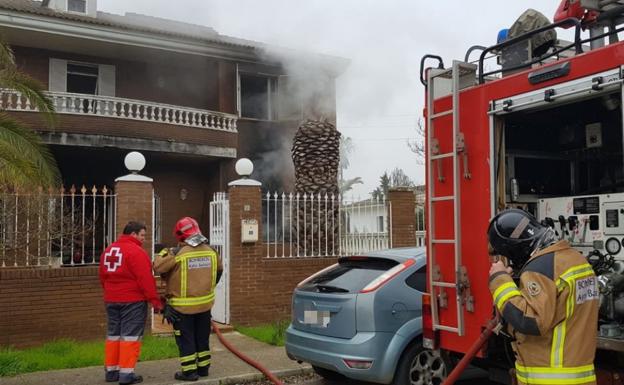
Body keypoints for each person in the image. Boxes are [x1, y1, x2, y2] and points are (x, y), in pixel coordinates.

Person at [487, 209, 599, 385]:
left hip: (550, 379)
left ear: (514, 249)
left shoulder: (539, 268)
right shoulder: (575, 259)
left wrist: (500, 280)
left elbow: (530, 321)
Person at [154, 217, 223, 381]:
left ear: (179, 235)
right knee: (202, 338)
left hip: (182, 308)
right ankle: (203, 368)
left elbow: (157, 267)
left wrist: (166, 252)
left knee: (186, 339)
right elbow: (219, 272)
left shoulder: (177, 254)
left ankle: (189, 372)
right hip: (205, 305)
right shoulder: (212, 251)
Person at [99, 221, 163, 385]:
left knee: (113, 335)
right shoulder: (136, 252)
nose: (143, 239)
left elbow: (103, 277)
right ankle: (126, 375)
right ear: (133, 234)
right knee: (130, 337)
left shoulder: (108, 250)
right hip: (132, 301)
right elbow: (146, 280)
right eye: (142, 235)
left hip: (111, 299)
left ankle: (111, 372)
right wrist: (155, 301)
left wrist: (111, 293)